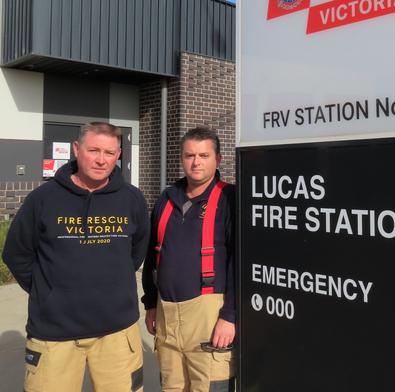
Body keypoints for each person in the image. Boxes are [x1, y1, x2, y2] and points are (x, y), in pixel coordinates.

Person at [2, 122, 149, 392]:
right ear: (77, 149)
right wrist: (47, 290)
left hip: (116, 331)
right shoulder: (43, 198)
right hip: (54, 333)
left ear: (118, 155)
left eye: (109, 152)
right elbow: (16, 253)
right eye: (94, 150)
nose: (101, 159)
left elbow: (137, 252)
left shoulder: (132, 199)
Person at [142, 126, 236, 392]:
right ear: (181, 158)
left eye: (204, 156)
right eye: (190, 155)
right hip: (166, 313)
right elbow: (153, 253)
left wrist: (230, 316)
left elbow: (238, 264)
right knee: (171, 386)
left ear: (217, 160)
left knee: (209, 386)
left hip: (209, 315)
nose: (196, 162)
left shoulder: (230, 199)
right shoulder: (166, 199)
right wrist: (151, 303)